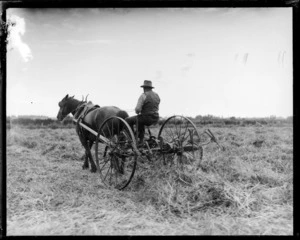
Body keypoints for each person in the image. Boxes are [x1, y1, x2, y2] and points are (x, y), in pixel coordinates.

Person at [126, 80, 160, 144]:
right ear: (151, 88)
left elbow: (137, 109)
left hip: (146, 118)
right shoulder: (157, 95)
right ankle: (141, 139)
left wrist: (137, 111)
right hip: (155, 118)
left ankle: (132, 138)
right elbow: (156, 107)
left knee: (127, 120)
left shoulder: (143, 95)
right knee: (140, 121)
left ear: (144, 88)